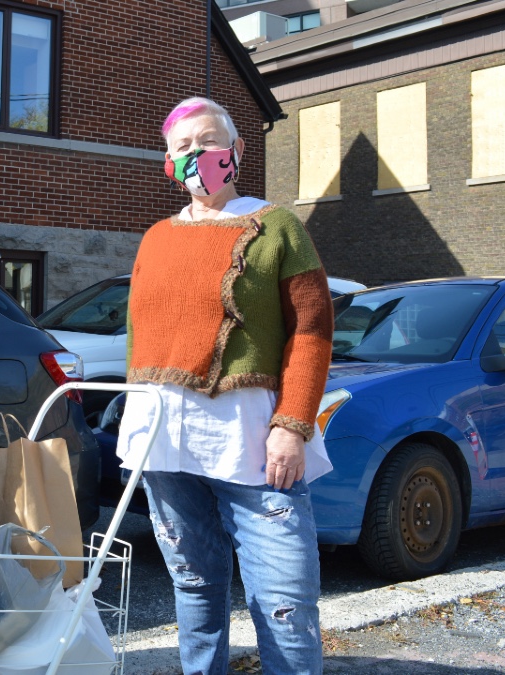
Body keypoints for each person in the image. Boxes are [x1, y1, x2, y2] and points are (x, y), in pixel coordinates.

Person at [117, 96, 334, 675]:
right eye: (183, 148)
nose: (198, 156)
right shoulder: (156, 238)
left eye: (209, 142)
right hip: (165, 444)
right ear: (169, 164)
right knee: (194, 588)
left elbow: (312, 331)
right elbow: (141, 338)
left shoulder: (278, 226)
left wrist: (293, 425)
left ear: (237, 150)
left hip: (253, 443)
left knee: (285, 602)